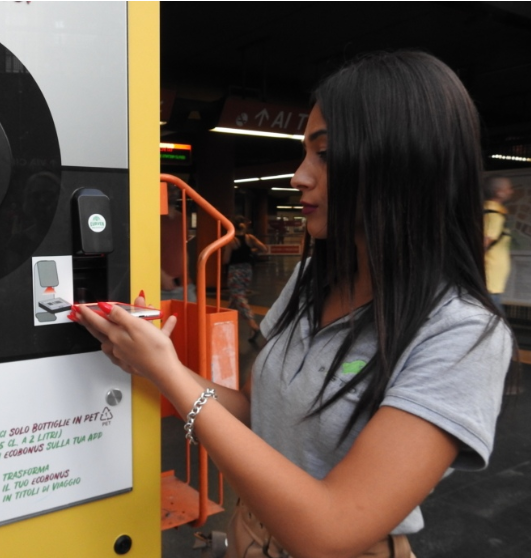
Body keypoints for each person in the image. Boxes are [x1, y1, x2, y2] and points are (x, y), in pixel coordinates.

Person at [68, 51, 513, 558]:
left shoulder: (460, 334)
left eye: (324, 154)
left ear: (401, 162)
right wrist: (147, 363)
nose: (299, 176)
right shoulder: (310, 281)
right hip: (250, 536)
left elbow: (331, 530)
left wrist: (171, 377)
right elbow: (255, 412)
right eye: (304, 153)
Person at [223, 215, 268, 342]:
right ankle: (224, 320)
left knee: (239, 297)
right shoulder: (250, 238)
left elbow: (226, 259)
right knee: (235, 297)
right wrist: (250, 252)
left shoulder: (231, 241)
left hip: (235, 271)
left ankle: (253, 325)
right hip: (247, 270)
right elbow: (264, 249)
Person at [161, 184, 196, 302]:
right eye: (170, 190)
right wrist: (162, 276)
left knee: (193, 317)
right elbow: (146, 252)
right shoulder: (153, 219)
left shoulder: (182, 218)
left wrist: (185, 275)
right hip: (160, 287)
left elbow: (183, 249)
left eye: (176, 189)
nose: (174, 193)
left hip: (184, 284)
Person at [483, 176, 514, 314]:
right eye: (508, 189)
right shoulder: (494, 216)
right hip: (490, 280)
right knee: (495, 322)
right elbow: (483, 243)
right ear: (499, 192)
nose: (511, 192)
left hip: (490, 281)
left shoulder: (486, 211)